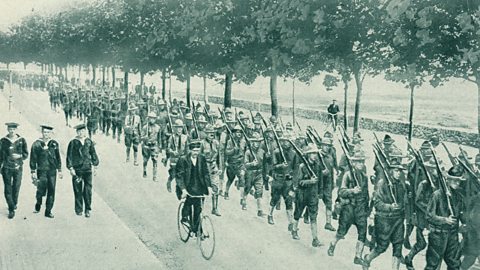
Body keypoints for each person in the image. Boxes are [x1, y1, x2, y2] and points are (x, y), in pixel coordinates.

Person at [361, 159, 406, 270]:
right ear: (390, 171)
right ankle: (367, 259)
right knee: (381, 247)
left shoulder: (401, 185)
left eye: (400, 171)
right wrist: (389, 207)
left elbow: (403, 202)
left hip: (398, 220)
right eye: (396, 170)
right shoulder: (382, 184)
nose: (399, 173)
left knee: (398, 246)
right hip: (384, 220)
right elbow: (377, 203)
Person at [328, 150, 368, 264]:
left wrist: (367, 209)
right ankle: (332, 244)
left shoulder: (364, 177)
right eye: (358, 162)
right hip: (349, 207)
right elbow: (341, 191)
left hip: (360, 208)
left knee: (362, 232)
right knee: (342, 232)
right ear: (354, 163)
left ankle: (358, 256)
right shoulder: (348, 175)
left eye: (362, 162)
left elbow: (366, 193)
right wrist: (352, 191)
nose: (361, 164)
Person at [424, 167, 466, 270]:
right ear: (448, 180)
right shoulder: (437, 195)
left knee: (455, 265)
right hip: (438, 236)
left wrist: (466, 223)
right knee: (432, 266)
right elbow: (429, 216)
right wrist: (445, 220)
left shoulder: (458, 197)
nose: (457, 183)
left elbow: (461, 214)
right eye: (455, 180)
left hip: (453, 236)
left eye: (459, 181)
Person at [291, 143, 323, 247]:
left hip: (313, 195)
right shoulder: (302, 167)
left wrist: (319, 193)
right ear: (308, 155)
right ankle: (294, 230)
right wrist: (310, 181)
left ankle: (315, 239)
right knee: (298, 213)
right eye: (312, 153)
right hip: (302, 194)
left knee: (313, 217)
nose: (314, 155)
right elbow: (300, 182)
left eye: (315, 153)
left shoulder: (318, 166)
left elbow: (320, 181)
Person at [176, 139, 212, 234]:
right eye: (194, 150)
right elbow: (179, 176)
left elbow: (206, 173)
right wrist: (183, 190)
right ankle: (184, 218)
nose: (196, 152)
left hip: (199, 187)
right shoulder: (183, 159)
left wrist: (209, 187)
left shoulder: (202, 158)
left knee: (198, 208)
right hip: (187, 187)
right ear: (190, 150)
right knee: (188, 203)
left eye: (197, 150)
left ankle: (196, 229)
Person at [66, 124, 99, 218]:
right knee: (77, 190)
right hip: (77, 171)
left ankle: (88, 209)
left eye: (83, 131)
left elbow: (93, 154)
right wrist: (71, 168)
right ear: (77, 132)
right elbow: (69, 156)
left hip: (88, 169)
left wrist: (95, 165)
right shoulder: (73, 142)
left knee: (88, 190)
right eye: (79, 131)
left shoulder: (89, 142)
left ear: (85, 132)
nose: (81, 133)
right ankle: (79, 209)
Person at [29, 124, 62, 218]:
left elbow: (58, 157)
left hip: (52, 171)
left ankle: (48, 211)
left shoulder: (54, 144)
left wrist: (59, 169)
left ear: (50, 133)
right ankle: (38, 202)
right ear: (42, 132)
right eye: (44, 132)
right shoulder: (37, 144)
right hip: (41, 171)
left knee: (51, 190)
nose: (46, 134)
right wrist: (33, 171)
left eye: (48, 132)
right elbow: (33, 158)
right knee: (41, 190)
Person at [0, 122, 29, 219]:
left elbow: (26, 154)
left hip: (18, 167)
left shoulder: (22, 140)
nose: (12, 131)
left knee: (16, 187)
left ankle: (14, 202)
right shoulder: (3, 141)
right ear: (7, 129)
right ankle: (11, 209)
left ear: (16, 130)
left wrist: (20, 156)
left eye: (13, 129)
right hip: (6, 168)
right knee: (8, 188)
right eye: (10, 129)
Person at [200, 124, 221, 216]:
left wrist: (220, 168)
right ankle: (200, 207)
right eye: (209, 133)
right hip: (204, 167)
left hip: (213, 167)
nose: (211, 135)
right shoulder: (202, 143)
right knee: (202, 187)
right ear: (206, 134)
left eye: (212, 133)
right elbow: (199, 157)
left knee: (215, 187)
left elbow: (220, 156)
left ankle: (215, 208)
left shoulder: (216, 143)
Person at [243, 132, 266, 215]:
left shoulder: (262, 152)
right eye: (255, 142)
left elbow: (265, 163)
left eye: (258, 142)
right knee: (247, 188)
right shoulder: (248, 152)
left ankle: (260, 210)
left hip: (259, 174)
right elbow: (245, 164)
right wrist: (252, 164)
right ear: (252, 142)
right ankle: (244, 201)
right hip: (250, 173)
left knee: (259, 191)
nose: (256, 144)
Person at [141, 112, 161, 181]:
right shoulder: (145, 127)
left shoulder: (158, 127)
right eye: (151, 118)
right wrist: (145, 138)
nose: (152, 120)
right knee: (145, 160)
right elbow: (141, 137)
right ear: (148, 119)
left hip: (154, 146)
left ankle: (154, 176)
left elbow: (159, 138)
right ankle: (144, 170)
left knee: (155, 161)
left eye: (153, 118)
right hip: (146, 146)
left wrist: (159, 147)